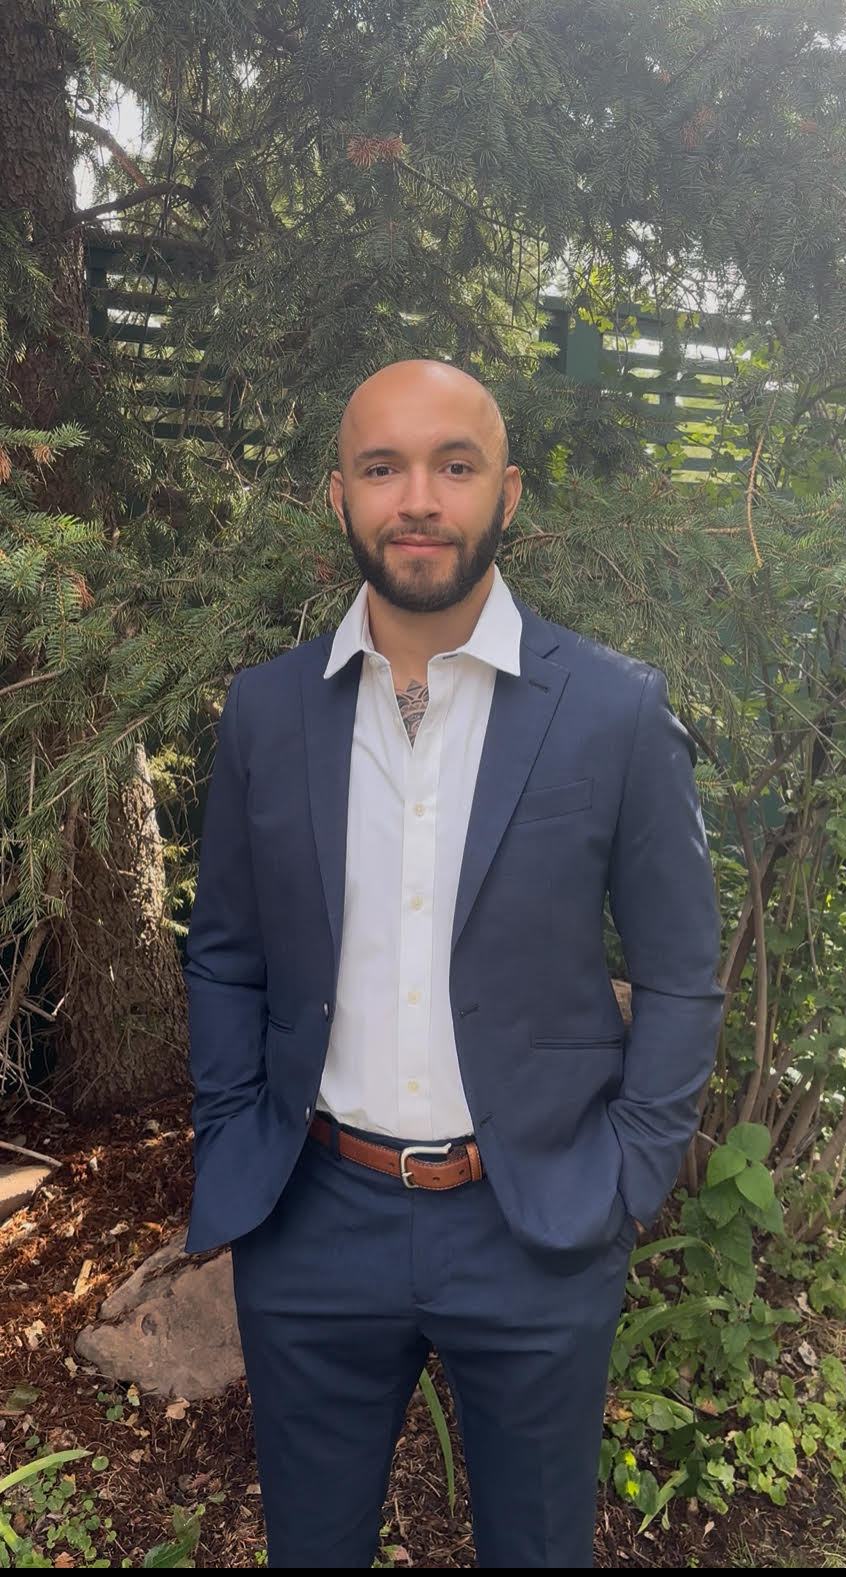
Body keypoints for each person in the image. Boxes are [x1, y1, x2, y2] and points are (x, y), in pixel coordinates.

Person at [184, 359, 723, 1569]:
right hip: (313, 1220)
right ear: (340, 497)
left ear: (507, 494)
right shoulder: (266, 714)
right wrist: (231, 1135)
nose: (416, 496)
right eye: (383, 466)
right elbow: (223, 953)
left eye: (453, 465)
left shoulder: (614, 713)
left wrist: (627, 1177)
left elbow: (684, 971)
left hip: (536, 1224)